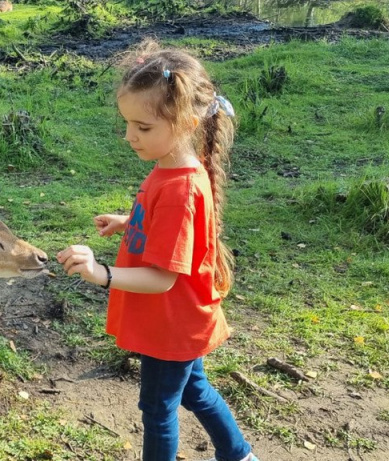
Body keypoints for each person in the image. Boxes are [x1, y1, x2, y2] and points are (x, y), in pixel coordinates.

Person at [55, 40, 259, 461]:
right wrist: (130, 222)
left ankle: (238, 453)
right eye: (127, 123)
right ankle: (238, 454)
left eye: (143, 127)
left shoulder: (181, 186)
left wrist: (100, 272)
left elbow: (163, 277)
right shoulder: (173, 167)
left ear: (186, 122)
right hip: (176, 320)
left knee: (158, 408)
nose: (130, 136)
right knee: (194, 391)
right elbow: (173, 228)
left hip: (172, 324)